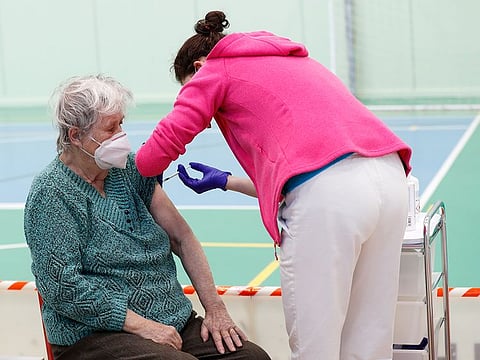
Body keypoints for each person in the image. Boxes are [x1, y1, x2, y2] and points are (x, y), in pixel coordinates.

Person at [134, 10, 412, 360]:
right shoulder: (290, 60)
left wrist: (147, 163)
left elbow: (154, 155)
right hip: (389, 180)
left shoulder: (214, 69)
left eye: (188, 87)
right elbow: (312, 169)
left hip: (331, 199)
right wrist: (225, 182)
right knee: (369, 335)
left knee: (316, 344)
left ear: (199, 66)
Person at [23, 75, 271, 360]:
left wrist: (215, 308)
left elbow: (182, 237)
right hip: (94, 336)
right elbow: (62, 287)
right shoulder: (51, 193)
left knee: (251, 358)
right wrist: (142, 326)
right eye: (110, 128)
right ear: (76, 136)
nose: (121, 135)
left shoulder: (130, 169)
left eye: (121, 124)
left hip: (172, 320)